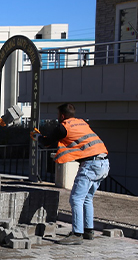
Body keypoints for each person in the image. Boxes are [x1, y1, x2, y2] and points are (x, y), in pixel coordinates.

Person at [33, 103, 109, 245]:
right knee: (87, 198)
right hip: (103, 162)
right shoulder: (81, 123)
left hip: (91, 165)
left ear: (62, 116)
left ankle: (77, 234)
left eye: (58, 116)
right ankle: (88, 231)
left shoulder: (64, 126)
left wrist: (37, 137)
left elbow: (47, 142)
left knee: (76, 199)